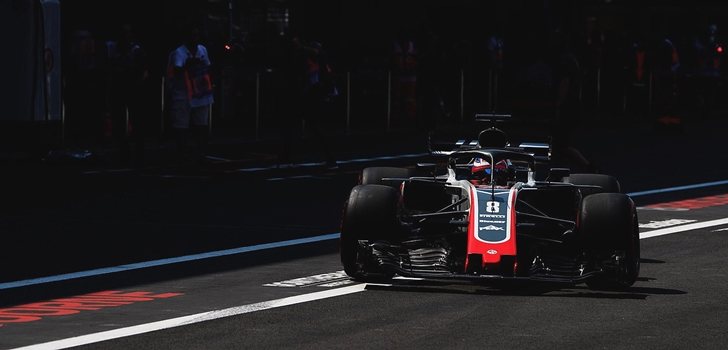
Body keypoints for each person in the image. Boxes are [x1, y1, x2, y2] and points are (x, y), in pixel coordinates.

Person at [103, 24, 149, 167]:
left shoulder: (136, 50)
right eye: (123, 34)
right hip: (117, 89)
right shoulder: (111, 48)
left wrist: (138, 83)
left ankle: (139, 154)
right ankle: (124, 153)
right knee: (119, 122)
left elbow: (144, 71)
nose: (125, 37)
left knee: (137, 122)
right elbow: (106, 67)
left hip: (132, 89)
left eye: (127, 34)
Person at [167, 26, 214, 162]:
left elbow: (208, 67)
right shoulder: (179, 53)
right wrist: (189, 65)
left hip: (201, 93)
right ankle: (182, 153)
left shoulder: (202, 50)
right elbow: (176, 70)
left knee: (202, 123)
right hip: (183, 93)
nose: (195, 38)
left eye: (197, 35)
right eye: (192, 35)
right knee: (181, 124)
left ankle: (201, 152)